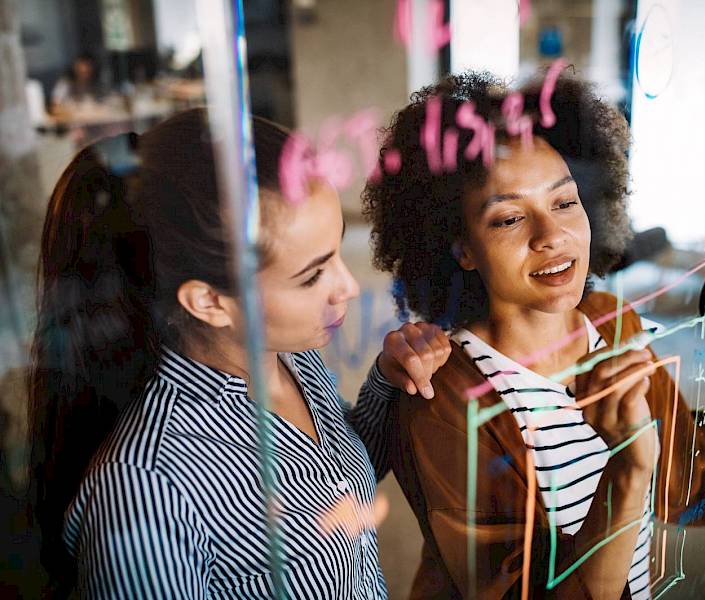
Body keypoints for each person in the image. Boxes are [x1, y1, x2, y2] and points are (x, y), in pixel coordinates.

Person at [362, 72, 705, 598]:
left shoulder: (612, 320)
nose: (552, 236)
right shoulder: (443, 393)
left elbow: (684, 461)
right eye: (510, 218)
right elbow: (518, 586)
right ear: (460, 249)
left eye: (565, 203)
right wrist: (628, 468)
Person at [29, 108, 450, 598]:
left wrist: (387, 380)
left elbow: (338, 477)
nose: (348, 286)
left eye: (336, 251)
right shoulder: (146, 489)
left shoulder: (289, 357)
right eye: (312, 275)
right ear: (209, 302)